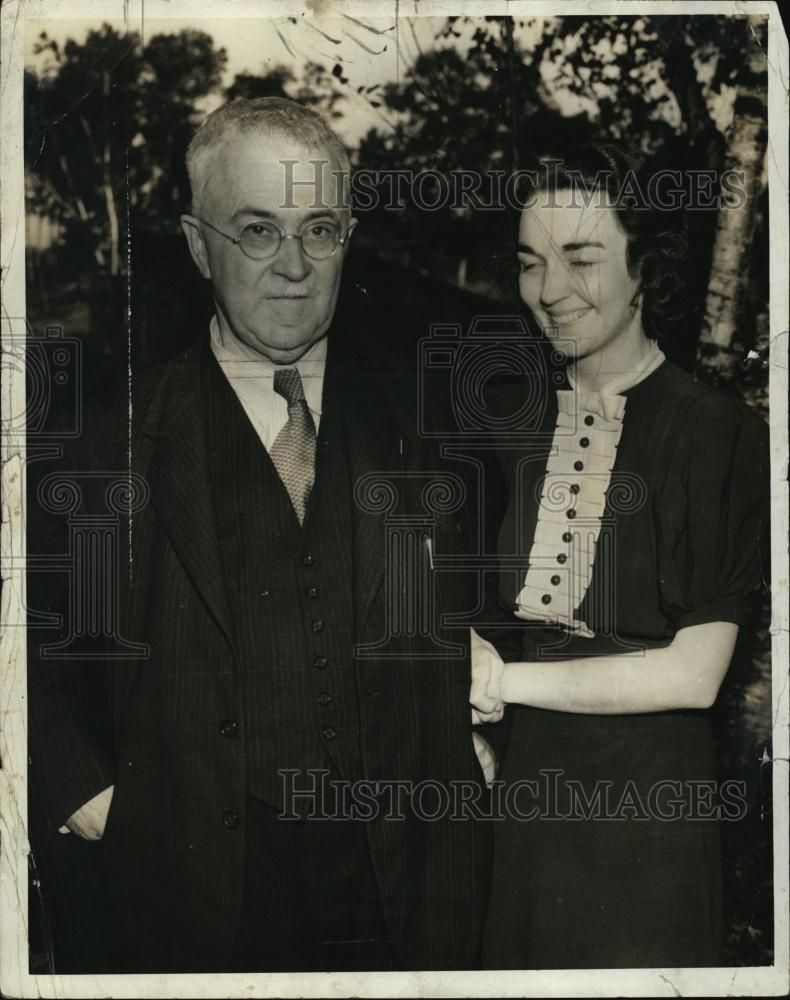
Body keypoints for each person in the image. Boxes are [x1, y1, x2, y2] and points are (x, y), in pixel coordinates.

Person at [27, 97, 491, 974]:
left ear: (348, 236)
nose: (293, 266)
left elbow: (492, 604)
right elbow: (28, 652)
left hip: (402, 895)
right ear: (199, 245)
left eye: (319, 229)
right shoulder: (105, 444)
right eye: (256, 230)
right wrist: (88, 796)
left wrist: (479, 744)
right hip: (189, 898)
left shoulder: (429, 424)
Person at [471, 142, 770, 969]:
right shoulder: (517, 425)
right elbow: (483, 613)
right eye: (532, 263)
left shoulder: (718, 435)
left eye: (582, 258)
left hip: (645, 826)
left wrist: (503, 684)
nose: (550, 290)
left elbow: (693, 673)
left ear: (645, 270)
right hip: (526, 816)